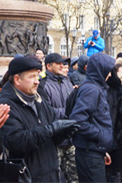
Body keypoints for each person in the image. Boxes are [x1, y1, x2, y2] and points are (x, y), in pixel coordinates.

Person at [0, 56, 79, 182]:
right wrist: (49, 131)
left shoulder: (39, 100)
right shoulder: (5, 105)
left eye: (37, 76)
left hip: (51, 174)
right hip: (28, 176)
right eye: (32, 77)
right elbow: (15, 141)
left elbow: (50, 139)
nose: (37, 81)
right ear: (17, 79)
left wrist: (62, 133)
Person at [69, 52, 115, 183]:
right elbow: (78, 119)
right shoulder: (91, 89)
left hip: (93, 151)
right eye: (108, 71)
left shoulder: (94, 87)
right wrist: (99, 136)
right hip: (89, 153)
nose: (110, 74)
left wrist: (101, 149)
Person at [43, 53, 76, 182]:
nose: (62, 66)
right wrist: (67, 112)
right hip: (55, 139)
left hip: (71, 137)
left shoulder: (67, 82)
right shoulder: (43, 85)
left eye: (64, 63)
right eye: (59, 63)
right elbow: (46, 111)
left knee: (75, 177)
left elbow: (74, 103)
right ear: (48, 66)